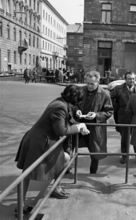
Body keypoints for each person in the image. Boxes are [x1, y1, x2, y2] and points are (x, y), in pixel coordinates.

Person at [15, 85, 90, 216]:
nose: (77, 105)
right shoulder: (60, 107)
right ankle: (20, 206)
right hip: (39, 141)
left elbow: (65, 120)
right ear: (74, 99)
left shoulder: (60, 102)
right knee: (26, 173)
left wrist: (78, 120)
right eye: (77, 101)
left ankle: (55, 188)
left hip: (39, 138)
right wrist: (79, 127)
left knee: (62, 159)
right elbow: (61, 130)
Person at [75, 71, 114, 174]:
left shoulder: (105, 94)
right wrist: (76, 111)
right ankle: (67, 169)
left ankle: (93, 172)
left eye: (92, 83)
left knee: (95, 152)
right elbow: (74, 105)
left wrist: (96, 115)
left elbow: (109, 111)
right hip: (79, 124)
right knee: (71, 146)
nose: (89, 86)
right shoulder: (81, 90)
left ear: (98, 82)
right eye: (87, 83)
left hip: (95, 127)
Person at [110, 72, 136, 164]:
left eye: (133, 79)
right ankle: (124, 155)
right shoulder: (118, 89)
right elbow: (110, 98)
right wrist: (116, 106)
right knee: (125, 138)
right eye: (130, 79)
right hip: (123, 117)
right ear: (125, 79)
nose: (132, 80)